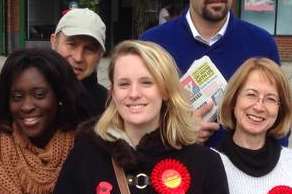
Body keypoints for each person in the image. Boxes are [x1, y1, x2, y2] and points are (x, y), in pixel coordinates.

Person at [53, 40, 229, 194]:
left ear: (165, 90)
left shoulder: (205, 163)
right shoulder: (86, 155)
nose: (134, 93)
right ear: (113, 92)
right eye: (124, 84)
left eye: (146, 83)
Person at [139, 0, 282, 146]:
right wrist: (177, 132)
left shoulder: (262, 44)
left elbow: (279, 119)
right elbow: (135, 117)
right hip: (171, 164)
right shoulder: (152, 44)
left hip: (246, 166)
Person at [0, 48, 90, 194]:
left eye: (39, 95)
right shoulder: (2, 150)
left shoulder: (86, 148)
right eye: (17, 97)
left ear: (60, 95)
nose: (27, 106)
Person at [216, 57, 292, 194]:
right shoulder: (209, 163)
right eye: (251, 94)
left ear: (280, 109)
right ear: (234, 100)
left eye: (271, 99)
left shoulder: (290, 162)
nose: (259, 107)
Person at [50, 8, 108, 118]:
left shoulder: (110, 108)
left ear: (100, 54)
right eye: (72, 44)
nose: (78, 57)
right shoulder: (29, 94)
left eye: (89, 49)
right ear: (54, 41)